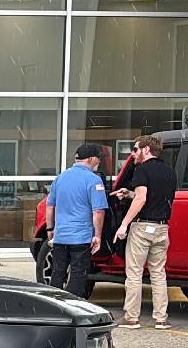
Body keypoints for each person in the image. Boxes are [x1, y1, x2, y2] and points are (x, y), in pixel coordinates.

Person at [113, 134, 178, 329]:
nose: (133, 154)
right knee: (158, 273)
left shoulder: (141, 170)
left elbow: (142, 199)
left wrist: (124, 224)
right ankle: (161, 318)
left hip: (142, 227)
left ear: (146, 150)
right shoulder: (169, 172)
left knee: (134, 272)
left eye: (135, 149)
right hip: (162, 227)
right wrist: (129, 194)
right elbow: (152, 197)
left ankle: (131, 317)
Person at [44, 143, 108, 297]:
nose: (99, 163)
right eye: (98, 159)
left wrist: (50, 229)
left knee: (58, 271)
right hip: (81, 237)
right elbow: (98, 211)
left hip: (61, 236)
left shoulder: (60, 178)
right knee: (78, 273)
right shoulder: (94, 181)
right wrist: (98, 235)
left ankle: (54, 303)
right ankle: (73, 306)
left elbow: (49, 206)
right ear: (91, 159)